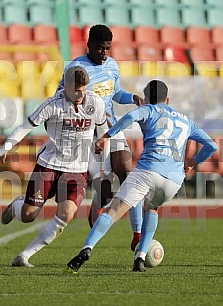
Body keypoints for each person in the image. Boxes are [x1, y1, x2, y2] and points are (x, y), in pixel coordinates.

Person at [65, 80, 218, 273]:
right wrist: (192, 163)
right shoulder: (186, 120)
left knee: (114, 210)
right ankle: (140, 258)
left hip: (148, 170)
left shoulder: (149, 110)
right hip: (173, 180)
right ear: (167, 99)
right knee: (151, 209)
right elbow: (212, 146)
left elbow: (130, 116)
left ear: (146, 99)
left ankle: (87, 248)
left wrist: (106, 137)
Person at [0, 66, 107, 267]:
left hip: (77, 171)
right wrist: (5, 147)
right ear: (66, 87)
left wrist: (104, 141)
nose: (81, 95)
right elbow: (26, 126)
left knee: (66, 214)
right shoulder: (53, 104)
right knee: (28, 216)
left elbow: (104, 129)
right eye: (77, 90)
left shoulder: (95, 103)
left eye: (84, 90)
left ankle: (24, 256)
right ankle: (17, 205)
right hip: (49, 166)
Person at [58, 24, 144, 251]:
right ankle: (98, 202)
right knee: (104, 187)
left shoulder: (112, 65)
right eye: (100, 48)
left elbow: (116, 93)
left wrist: (132, 97)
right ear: (89, 45)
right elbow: (59, 96)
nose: (104, 53)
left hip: (112, 127)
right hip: (88, 133)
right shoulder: (76, 68)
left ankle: (137, 235)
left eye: (107, 48)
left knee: (128, 175)